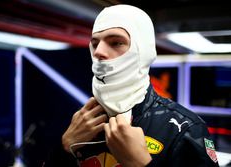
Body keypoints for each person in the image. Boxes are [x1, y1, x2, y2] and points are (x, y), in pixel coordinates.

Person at [43, 4, 219, 167]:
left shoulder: (185, 129)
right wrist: (64, 150)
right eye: (95, 43)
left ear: (143, 50)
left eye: (116, 42)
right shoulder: (81, 120)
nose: (98, 52)